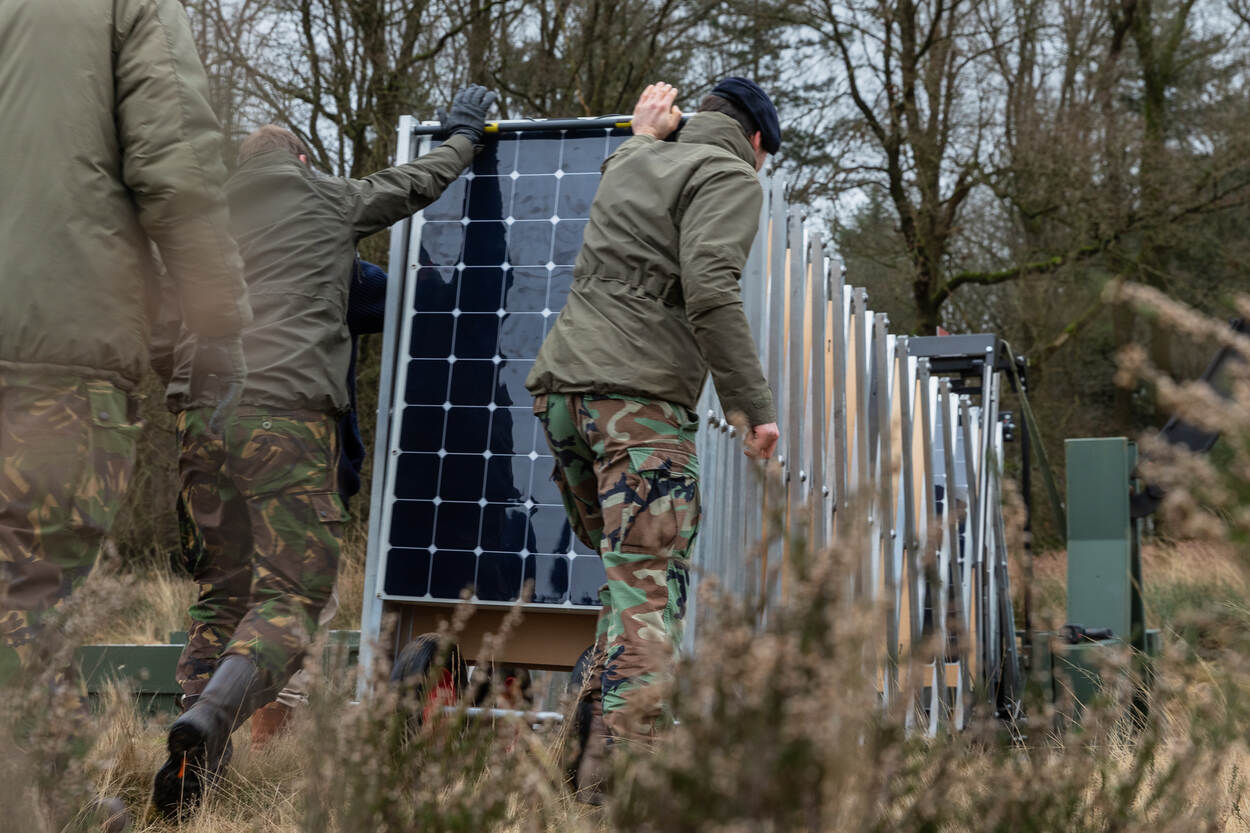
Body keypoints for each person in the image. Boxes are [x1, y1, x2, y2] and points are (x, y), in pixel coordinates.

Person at [151, 85, 498, 819]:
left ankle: (191, 763)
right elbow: (415, 183)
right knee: (293, 592)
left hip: (196, 419)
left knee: (221, 590)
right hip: (283, 410)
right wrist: (465, 136)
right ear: (302, 160)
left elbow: (156, 322)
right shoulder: (324, 196)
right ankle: (212, 718)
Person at [525, 79, 782, 792]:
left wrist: (643, 133)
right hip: (637, 405)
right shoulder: (732, 174)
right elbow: (710, 287)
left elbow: (635, 165)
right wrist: (752, 406)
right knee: (649, 589)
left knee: (627, 579)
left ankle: (584, 769)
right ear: (756, 141)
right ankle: (627, 786)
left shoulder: (634, 156)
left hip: (563, 397)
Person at [0, 0, 251, 679]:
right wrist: (217, 320)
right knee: (24, 603)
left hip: (53, 343)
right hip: (54, 354)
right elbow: (177, 170)